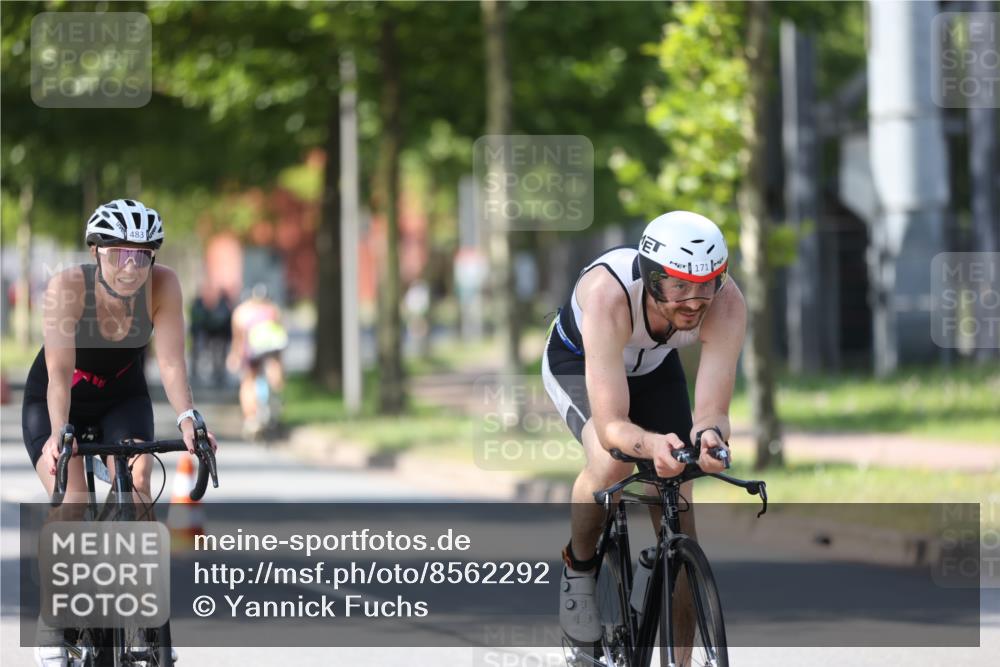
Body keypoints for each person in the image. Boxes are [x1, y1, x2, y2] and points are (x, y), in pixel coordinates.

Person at [21, 199, 219, 666]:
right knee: (71, 503)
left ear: (153, 257)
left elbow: (171, 362)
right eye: (117, 254)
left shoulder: (163, 285)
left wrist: (189, 417)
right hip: (57, 397)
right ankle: (54, 621)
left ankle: (139, 621)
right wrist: (58, 435)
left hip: (122, 396)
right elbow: (58, 372)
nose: (130, 267)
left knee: (141, 484)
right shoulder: (67, 287)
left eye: (141, 255)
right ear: (96, 253)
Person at [541, 211, 745, 655]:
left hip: (653, 368)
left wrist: (709, 437)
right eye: (678, 287)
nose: (694, 301)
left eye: (708, 283)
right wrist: (650, 444)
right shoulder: (607, 295)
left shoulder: (726, 302)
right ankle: (579, 567)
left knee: (680, 505)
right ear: (651, 280)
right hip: (580, 362)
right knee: (611, 460)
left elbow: (713, 411)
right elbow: (614, 425)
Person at [227, 283, 287, 437]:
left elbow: (238, 340)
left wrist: (235, 356)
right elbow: (280, 333)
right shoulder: (273, 309)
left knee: (248, 381)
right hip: (272, 349)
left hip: (252, 351)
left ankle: (251, 418)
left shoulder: (241, 312)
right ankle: (277, 402)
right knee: (275, 372)